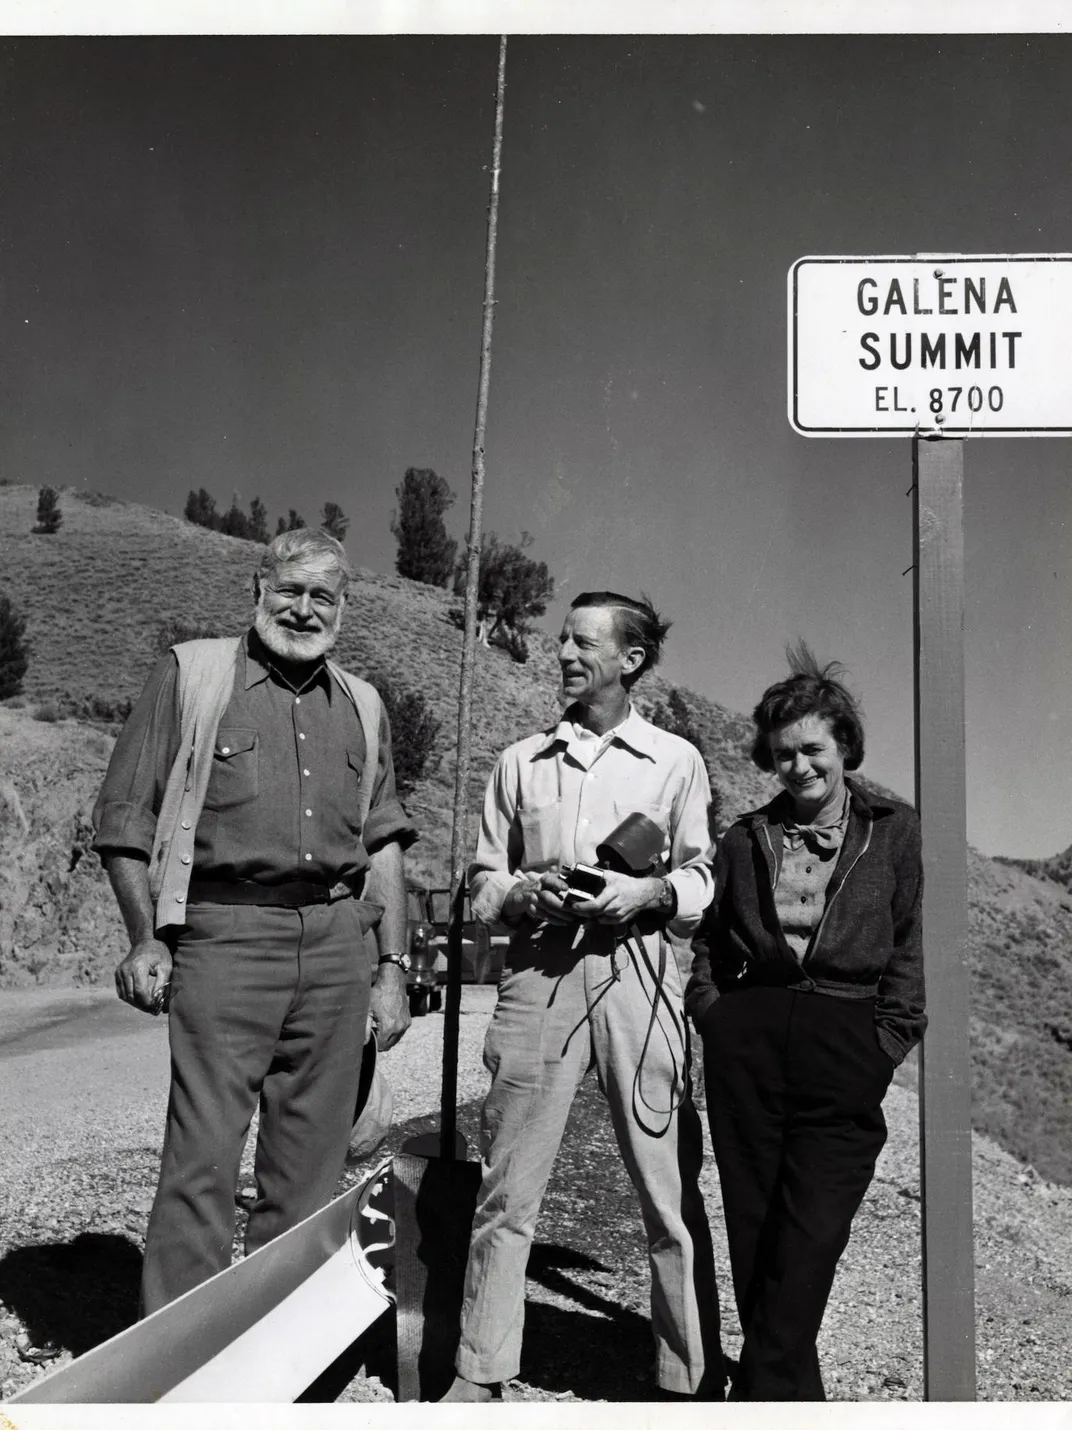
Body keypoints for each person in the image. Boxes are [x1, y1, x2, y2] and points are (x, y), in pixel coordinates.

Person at [91, 527, 416, 1315]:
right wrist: (146, 936)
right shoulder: (191, 674)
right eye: (290, 592)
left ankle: (270, 1354)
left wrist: (393, 969)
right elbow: (125, 818)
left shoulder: (364, 706)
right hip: (224, 934)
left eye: (323, 597)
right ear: (258, 592)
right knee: (202, 1160)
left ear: (344, 608)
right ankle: (183, 1355)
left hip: (338, 943)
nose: (304, 611)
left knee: (309, 1166)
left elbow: (384, 849)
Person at [442, 591, 724, 1403]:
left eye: (582, 642)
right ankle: (480, 1370)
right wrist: (524, 893)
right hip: (541, 978)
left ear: (630, 660)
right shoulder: (520, 761)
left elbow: (703, 876)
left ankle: (687, 1379)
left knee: (665, 1189)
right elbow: (483, 876)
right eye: (561, 638)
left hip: (639, 979)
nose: (562, 652)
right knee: (508, 1188)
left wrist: (644, 896)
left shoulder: (676, 761)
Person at [686, 643, 925, 1401]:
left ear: (844, 746)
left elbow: (915, 941)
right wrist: (714, 1016)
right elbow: (709, 942)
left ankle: (762, 1391)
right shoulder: (742, 837)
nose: (798, 767)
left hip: (846, 1039)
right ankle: (789, 1399)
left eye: (813, 749)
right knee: (755, 1229)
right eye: (783, 754)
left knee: (813, 1232)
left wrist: (886, 1040)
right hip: (749, 1041)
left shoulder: (896, 830)